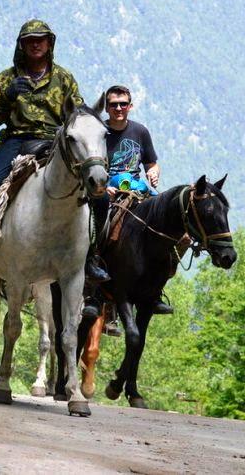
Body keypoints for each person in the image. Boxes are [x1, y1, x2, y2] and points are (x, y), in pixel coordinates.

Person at [0, 19, 109, 283]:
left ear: (50, 43)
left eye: (41, 39)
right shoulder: (7, 78)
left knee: (99, 195)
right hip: (17, 140)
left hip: (55, 141)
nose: (36, 44)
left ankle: (93, 255)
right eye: (30, 40)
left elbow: (78, 114)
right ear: (22, 46)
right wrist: (7, 97)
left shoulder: (64, 77)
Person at [91, 84, 172, 318]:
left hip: (137, 189)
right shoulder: (99, 132)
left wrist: (155, 172)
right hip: (106, 191)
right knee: (98, 228)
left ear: (130, 106)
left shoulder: (140, 132)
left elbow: (150, 162)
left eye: (123, 104)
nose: (118, 108)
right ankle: (93, 288)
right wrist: (103, 188)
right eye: (114, 104)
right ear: (106, 107)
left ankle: (155, 290)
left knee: (171, 225)